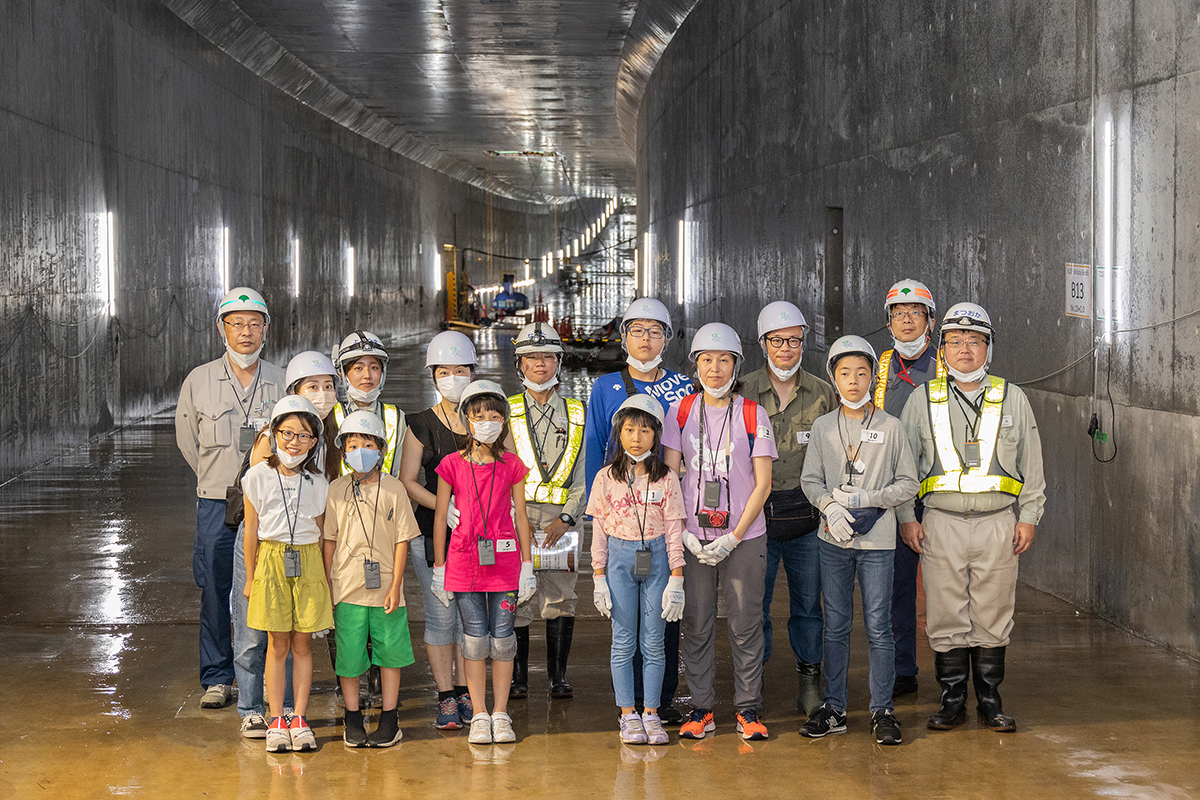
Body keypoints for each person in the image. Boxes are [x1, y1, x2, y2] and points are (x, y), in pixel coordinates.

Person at [898, 303, 1045, 733]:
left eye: (975, 341)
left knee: (994, 609)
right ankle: (952, 698)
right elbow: (906, 465)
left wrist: (1029, 515)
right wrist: (908, 516)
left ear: (989, 348)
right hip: (940, 523)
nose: (965, 349)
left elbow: (1033, 465)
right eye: (956, 341)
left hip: (998, 522)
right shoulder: (921, 400)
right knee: (945, 611)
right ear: (941, 350)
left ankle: (990, 698)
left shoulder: (1012, 396)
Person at [799, 336, 918, 746]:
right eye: (845, 372)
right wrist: (828, 506)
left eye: (862, 372)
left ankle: (882, 710)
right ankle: (834, 708)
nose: (854, 381)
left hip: (879, 543)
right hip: (832, 540)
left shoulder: (891, 426)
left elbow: (909, 483)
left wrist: (871, 499)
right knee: (836, 625)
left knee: (879, 627)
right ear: (833, 377)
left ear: (872, 377)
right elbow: (810, 479)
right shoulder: (822, 426)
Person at [662, 322, 777, 741]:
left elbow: (762, 484)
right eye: (707, 360)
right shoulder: (681, 411)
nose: (715, 368)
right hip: (693, 538)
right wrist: (685, 534)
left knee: (745, 624)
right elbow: (669, 475)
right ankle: (702, 708)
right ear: (696, 365)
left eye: (723, 360)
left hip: (744, 538)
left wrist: (733, 535)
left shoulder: (752, 413)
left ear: (736, 365)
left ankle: (748, 708)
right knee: (697, 623)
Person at [175, 287, 285, 710]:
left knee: (268, 587)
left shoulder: (281, 380)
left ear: (266, 329)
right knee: (216, 588)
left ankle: (258, 679)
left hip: (272, 503)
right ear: (221, 328)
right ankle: (218, 677)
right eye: (236, 323)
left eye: (254, 323)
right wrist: (218, 478)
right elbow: (189, 442)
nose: (245, 332)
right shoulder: (198, 381)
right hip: (217, 502)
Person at [584, 297, 692, 722]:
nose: (645, 339)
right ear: (623, 336)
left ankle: (659, 702)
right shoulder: (605, 387)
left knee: (665, 617)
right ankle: (628, 705)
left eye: (654, 331)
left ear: (667, 337)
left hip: (665, 517)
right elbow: (596, 454)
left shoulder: (683, 387)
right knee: (625, 622)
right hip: (622, 526)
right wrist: (600, 524)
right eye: (636, 330)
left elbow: (689, 452)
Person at [231, 350, 339, 737]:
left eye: (328, 386)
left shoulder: (327, 442)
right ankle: (255, 710)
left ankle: (294, 714)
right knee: (255, 638)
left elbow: (325, 525)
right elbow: (252, 520)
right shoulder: (265, 454)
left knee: (300, 643)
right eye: (314, 386)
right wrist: (251, 571)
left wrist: (326, 576)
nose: (322, 393)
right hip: (268, 552)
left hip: (307, 556)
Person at [739, 301, 835, 716]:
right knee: (753, 607)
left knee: (809, 606)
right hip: (755, 518)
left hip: (806, 518)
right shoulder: (741, 390)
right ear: (763, 344)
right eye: (777, 341)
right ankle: (751, 685)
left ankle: (809, 682)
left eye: (794, 341)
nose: (786, 349)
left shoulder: (822, 392)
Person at [432, 380, 538, 745]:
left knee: (504, 641)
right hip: (463, 564)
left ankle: (501, 713)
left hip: (505, 566)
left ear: (504, 421)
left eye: (495, 416)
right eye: (479, 416)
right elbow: (440, 516)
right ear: (467, 421)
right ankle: (479, 713)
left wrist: (528, 564)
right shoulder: (451, 465)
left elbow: (521, 517)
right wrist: (439, 567)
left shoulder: (512, 464)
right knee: (475, 641)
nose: (488, 422)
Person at [587, 395, 686, 746]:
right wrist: (598, 577)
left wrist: (677, 576)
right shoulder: (605, 478)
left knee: (655, 643)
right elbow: (598, 530)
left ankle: (652, 713)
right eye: (629, 429)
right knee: (624, 641)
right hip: (618, 560)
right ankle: (628, 715)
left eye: (645, 430)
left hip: (657, 560)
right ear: (619, 433)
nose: (637, 437)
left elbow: (675, 528)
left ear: (657, 435)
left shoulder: (667, 479)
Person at [323, 410, 421, 748]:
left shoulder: (394, 488)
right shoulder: (335, 489)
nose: (360, 450)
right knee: (348, 657)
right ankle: (352, 717)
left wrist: (396, 585)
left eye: (368, 443)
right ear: (343, 451)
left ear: (381, 449)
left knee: (389, 654)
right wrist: (327, 584)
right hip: (346, 588)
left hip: (387, 592)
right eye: (353, 444)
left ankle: (389, 719)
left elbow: (402, 539)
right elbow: (329, 540)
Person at [505, 322, 587, 699]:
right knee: (517, 597)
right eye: (531, 356)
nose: (540, 363)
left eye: (548, 356)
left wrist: (567, 518)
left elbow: (584, 476)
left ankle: (558, 676)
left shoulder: (576, 412)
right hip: (516, 519)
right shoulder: (503, 411)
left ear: (559, 362)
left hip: (560, 522)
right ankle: (519, 677)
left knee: (559, 598)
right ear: (519, 363)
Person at [398, 330, 473, 729]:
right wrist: (444, 508)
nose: (453, 377)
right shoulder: (421, 424)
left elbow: (507, 468)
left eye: (461, 370)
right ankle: (445, 695)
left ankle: (466, 691)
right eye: (445, 371)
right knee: (442, 618)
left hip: (478, 537)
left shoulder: (487, 418)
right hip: (433, 535)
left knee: (470, 618)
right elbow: (408, 479)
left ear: (473, 372)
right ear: (433, 376)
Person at [875, 279, 944, 699]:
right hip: (892, 495)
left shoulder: (948, 366)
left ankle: (953, 667)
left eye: (915, 312)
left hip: (938, 493)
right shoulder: (876, 368)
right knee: (897, 586)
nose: (906, 320)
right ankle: (903, 668)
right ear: (888, 324)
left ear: (930, 322)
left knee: (947, 584)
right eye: (898, 314)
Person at [332, 331, 406, 476]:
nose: (367, 375)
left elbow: (404, 475)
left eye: (374, 367)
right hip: (340, 497)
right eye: (358, 368)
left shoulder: (397, 417)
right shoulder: (331, 415)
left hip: (388, 496)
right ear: (343, 373)